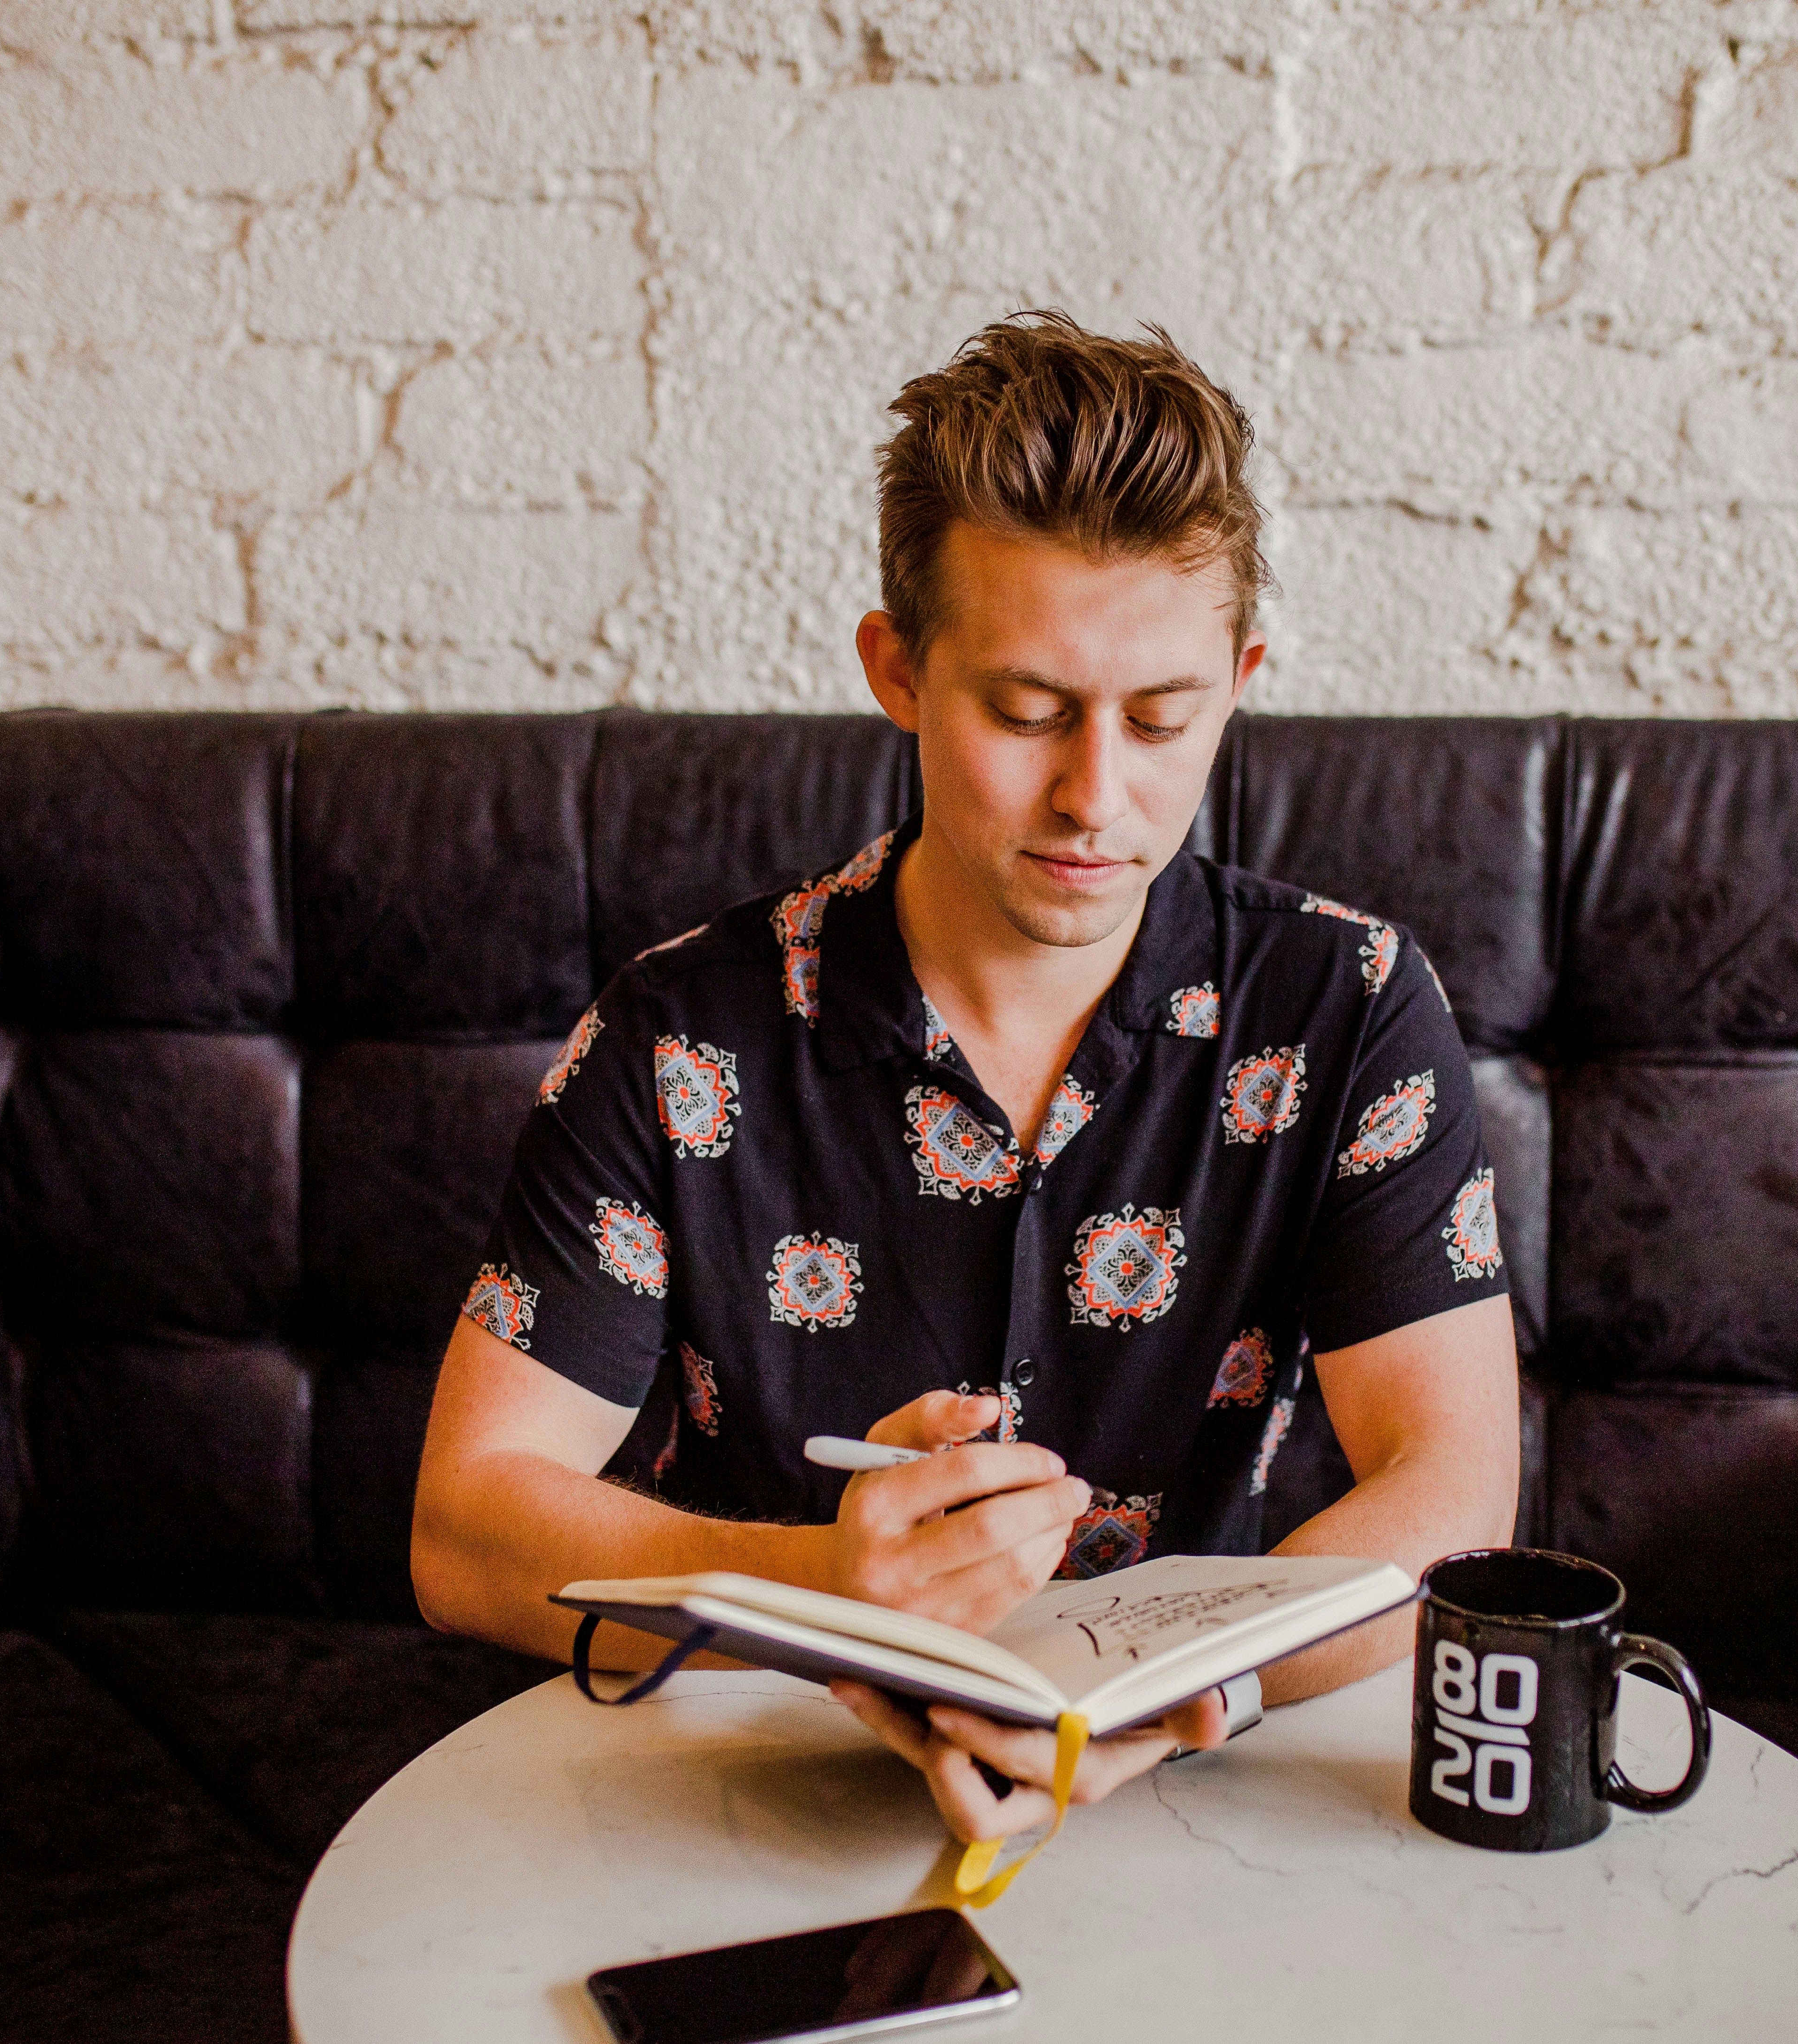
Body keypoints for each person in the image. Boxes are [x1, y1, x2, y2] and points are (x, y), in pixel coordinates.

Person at [412, 311, 1522, 1844]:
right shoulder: (682, 1035)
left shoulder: (1350, 1006)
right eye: (1025, 711)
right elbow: (466, 1523)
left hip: (1190, 1789)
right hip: (742, 1775)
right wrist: (826, 1583)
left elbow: (1456, 1486)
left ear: (1242, 676)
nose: (1096, 797)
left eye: (1161, 718)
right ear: (897, 669)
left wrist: (1174, 1697)